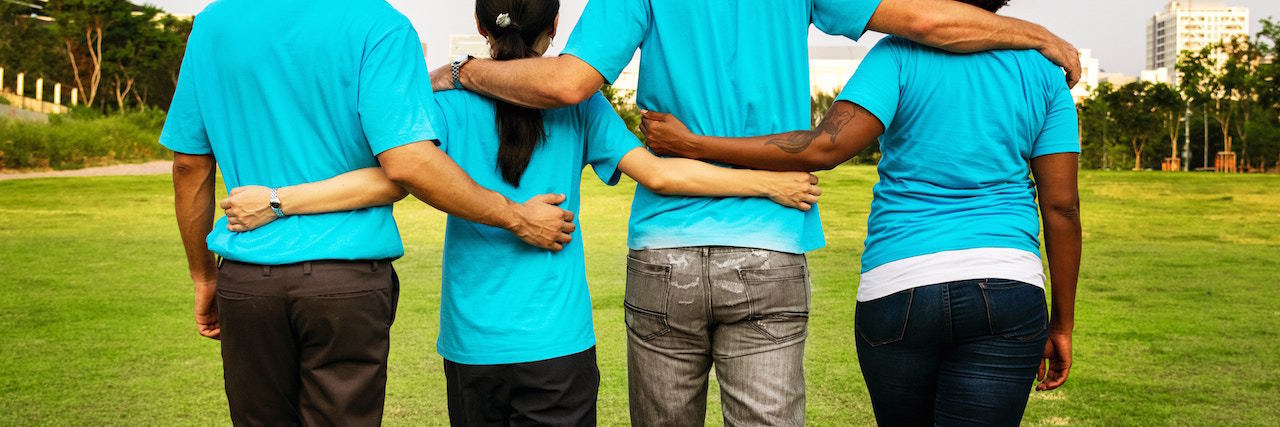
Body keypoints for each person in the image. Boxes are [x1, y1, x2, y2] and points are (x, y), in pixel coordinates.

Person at [432, 0, 1082, 424]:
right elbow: (932, 25)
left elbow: (568, 81)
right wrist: (1035, 34)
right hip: (768, 246)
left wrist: (465, 72)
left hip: (665, 251)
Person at [217, 0, 822, 425]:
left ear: (479, 24)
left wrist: (278, 201)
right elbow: (662, 173)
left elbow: (391, 175)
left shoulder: (442, 106)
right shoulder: (581, 111)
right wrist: (765, 185)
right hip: (558, 344)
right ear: (555, 25)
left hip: (472, 345)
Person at [639, 0, 1081, 424]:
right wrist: (1061, 323)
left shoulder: (897, 55)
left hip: (901, 285)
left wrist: (694, 145)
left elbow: (825, 146)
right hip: (1008, 283)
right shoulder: (1043, 73)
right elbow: (1061, 206)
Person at [162, 0, 577, 425]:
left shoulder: (213, 24)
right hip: (345, 279)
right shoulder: (380, 24)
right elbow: (408, 164)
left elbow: (189, 166)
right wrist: (516, 216)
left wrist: (204, 276)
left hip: (247, 280)